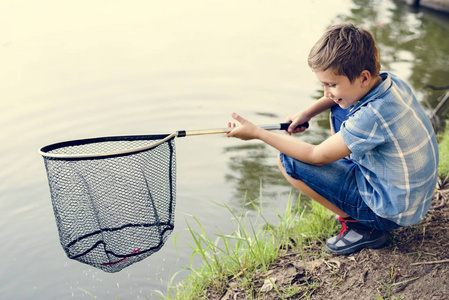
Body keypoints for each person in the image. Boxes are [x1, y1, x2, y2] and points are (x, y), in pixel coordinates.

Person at [226, 23, 439, 255]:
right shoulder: (391, 83)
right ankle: (351, 182)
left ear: (364, 77)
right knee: (339, 109)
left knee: (287, 161)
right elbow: (336, 100)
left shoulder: (372, 116)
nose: (326, 92)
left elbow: (315, 156)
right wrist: (307, 113)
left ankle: (362, 226)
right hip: (411, 201)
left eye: (331, 84)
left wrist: (257, 133)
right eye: (323, 85)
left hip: (389, 213)